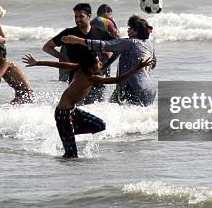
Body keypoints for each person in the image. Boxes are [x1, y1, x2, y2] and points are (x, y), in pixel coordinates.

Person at [22, 52, 153, 158]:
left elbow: (59, 64)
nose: (100, 63)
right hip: (63, 113)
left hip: (71, 110)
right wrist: (137, 67)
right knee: (71, 155)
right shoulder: (91, 77)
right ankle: (66, 144)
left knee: (100, 125)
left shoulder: (81, 68)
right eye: (98, 62)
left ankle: (67, 135)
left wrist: (39, 62)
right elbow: (116, 80)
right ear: (91, 67)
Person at [61, 15, 156, 106]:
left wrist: (78, 40)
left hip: (134, 88)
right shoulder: (149, 44)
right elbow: (153, 63)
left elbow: (104, 45)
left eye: (130, 28)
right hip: (150, 88)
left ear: (136, 32)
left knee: (117, 112)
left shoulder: (129, 43)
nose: (128, 30)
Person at [42, 3, 115, 104]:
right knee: (76, 111)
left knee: (97, 110)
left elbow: (118, 47)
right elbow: (47, 47)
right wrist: (63, 58)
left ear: (89, 16)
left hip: (97, 81)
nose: (77, 19)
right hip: (76, 81)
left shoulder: (100, 33)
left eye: (81, 16)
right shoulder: (69, 33)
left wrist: (107, 64)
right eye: (76, 16)